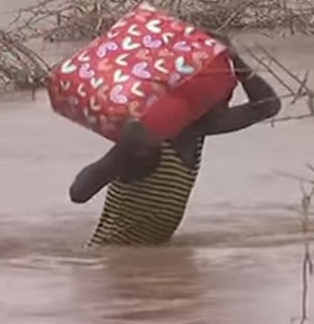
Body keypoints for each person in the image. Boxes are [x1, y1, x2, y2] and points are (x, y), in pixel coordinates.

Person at [68, 40, 282, 247]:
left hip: (146, 261)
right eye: (221, 98)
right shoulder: (149, 141)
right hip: (116, 262)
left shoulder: (197, 130)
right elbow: (79, 193)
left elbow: (267, 106)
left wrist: (236, 60)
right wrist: (120, 154)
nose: (225, 105)